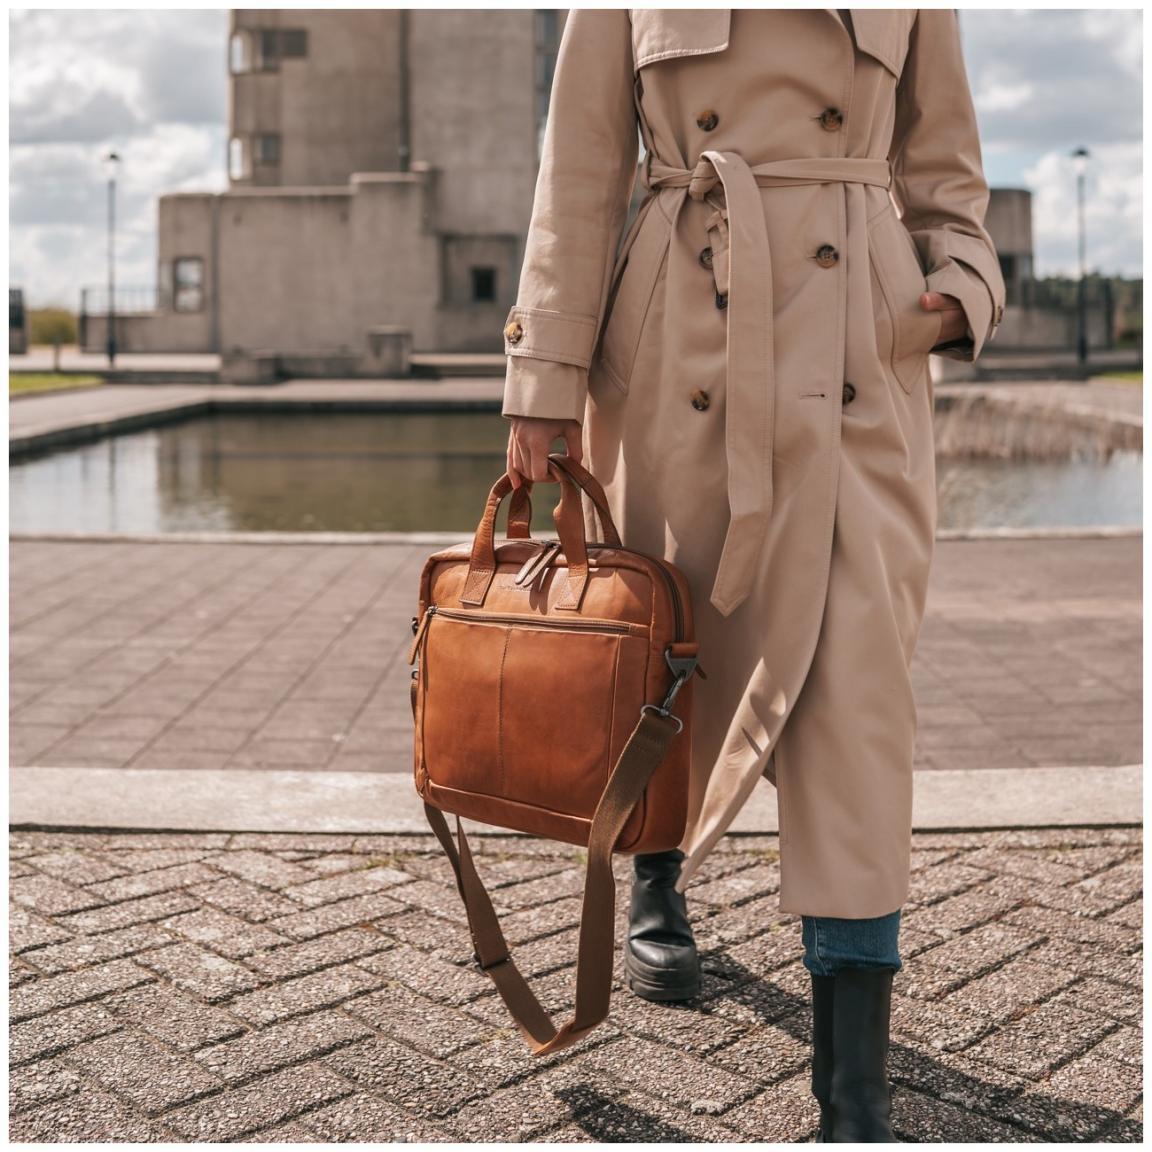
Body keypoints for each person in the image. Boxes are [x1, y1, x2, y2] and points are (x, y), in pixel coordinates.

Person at [502, 8, 1005, 1142]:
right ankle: (658, 872)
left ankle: (854, 1095)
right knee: (670, 645)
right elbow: (580, 168)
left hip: (856, 351)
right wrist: (543, 378)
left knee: (859, 697)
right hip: (677, 333)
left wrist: (957, 289)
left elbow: (946, 167)